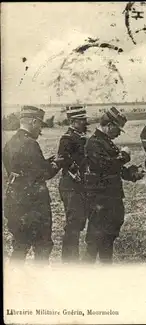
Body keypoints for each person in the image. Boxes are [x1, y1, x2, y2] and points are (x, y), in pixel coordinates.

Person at [83, 107, 144, 264]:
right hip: (100, 199)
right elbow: (105, 166)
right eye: (118, 129)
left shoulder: (105, 142)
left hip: (110, 198)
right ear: (109, 125)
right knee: (95, 240)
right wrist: (124, 156)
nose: (118, 133)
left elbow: (116, 168)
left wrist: (132, 174)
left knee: (108, 237)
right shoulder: (94, 143)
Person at [3, 106, 61, 263]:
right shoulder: (30, 144)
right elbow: (43, 174)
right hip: (34, 206)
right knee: (42, 246)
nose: (40, 130)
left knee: (20, 246)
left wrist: (45, 163)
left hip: (15, 202)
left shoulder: (10, 143)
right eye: (40, 125)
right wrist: (57, 164)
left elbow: (21, 169)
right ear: (34, 122)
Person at [56, 105, 90, 263]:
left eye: (84, 120)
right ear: (73, 121)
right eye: (82, 120)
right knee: (74, 223)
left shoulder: (79, 137)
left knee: (78, 221)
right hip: (71, 186)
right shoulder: (67, 138)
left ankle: (72, 258)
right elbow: (63, 160)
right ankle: (69, 260)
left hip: (78, 185)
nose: (85, 123)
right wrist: (75, 172)